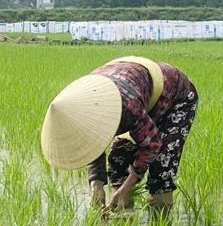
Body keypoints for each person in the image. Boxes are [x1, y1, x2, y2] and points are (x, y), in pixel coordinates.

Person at [40, 56, 197, 214]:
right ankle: (124, 214)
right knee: (118, 158)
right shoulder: (84, 108)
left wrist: (127, 187)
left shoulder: (126, 107)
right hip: (136, 91)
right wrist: (96, 184)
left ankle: (161, 225)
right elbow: (93, 143)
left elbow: (152, 144)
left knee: (161, 165)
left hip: (175, 97)